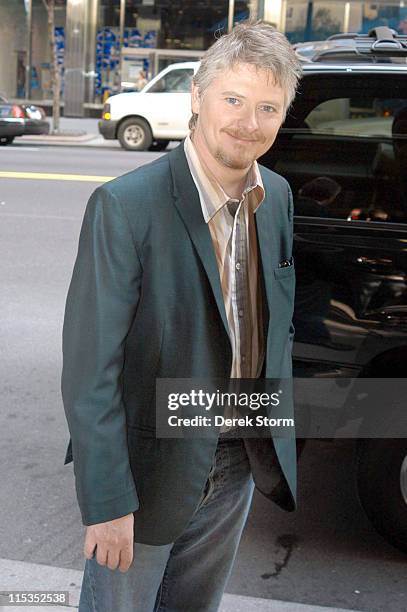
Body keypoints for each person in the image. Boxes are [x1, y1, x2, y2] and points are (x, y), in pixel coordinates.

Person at [61, 19, 301, 612]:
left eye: (268, 107)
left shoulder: (277, 199)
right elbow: (91, 371)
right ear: (198, 96)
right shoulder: (124, 206)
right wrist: (107, 502)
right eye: (234, 99)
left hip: (237, 459)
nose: (249, 122)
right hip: (146, 474)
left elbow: (265, 330)